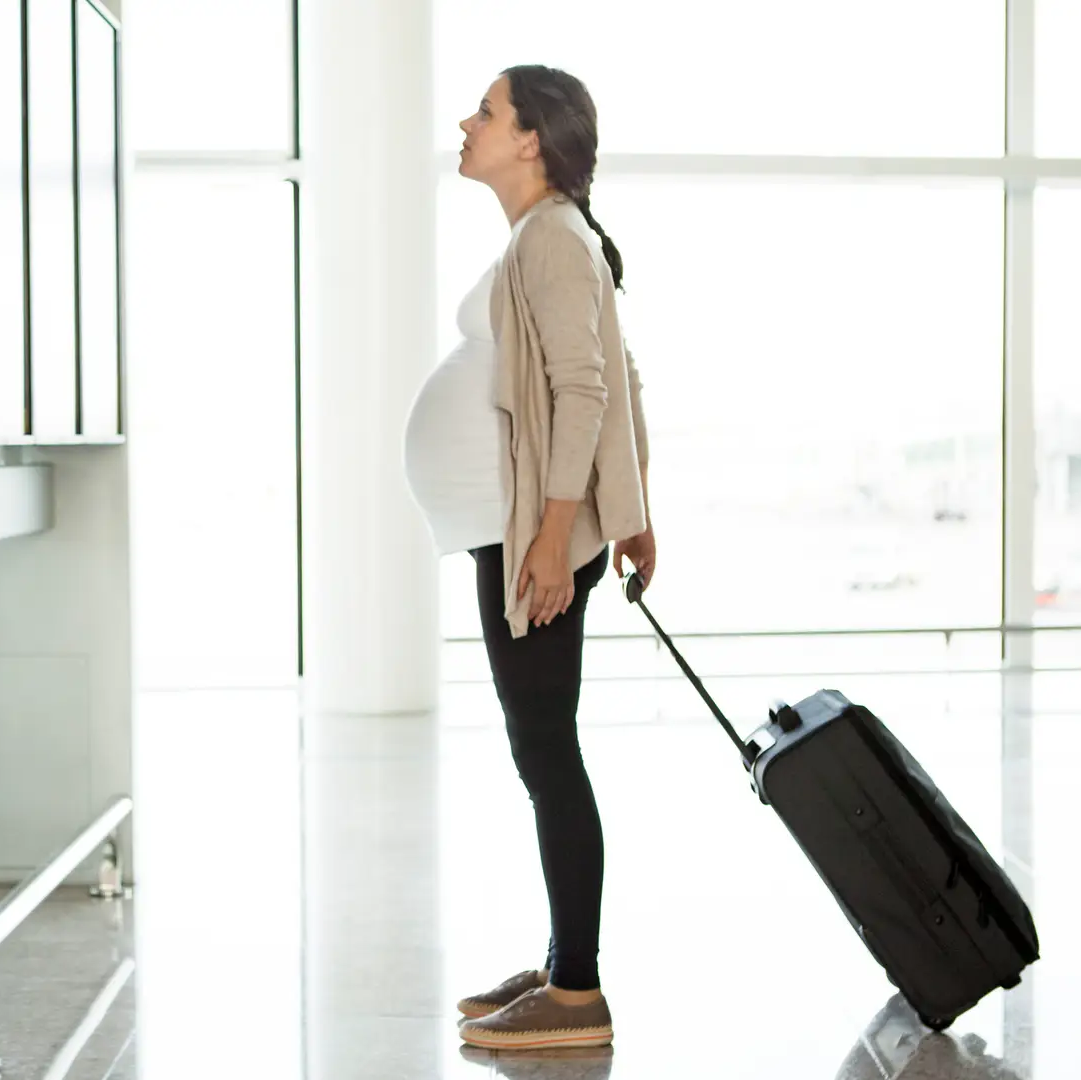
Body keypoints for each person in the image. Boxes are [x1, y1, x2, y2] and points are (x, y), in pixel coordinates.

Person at [401, 64, 656, 1052]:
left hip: (531, 536)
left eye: (487, 111)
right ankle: (561, 963)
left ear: (531, 141)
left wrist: (556, 537)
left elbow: (589, 391)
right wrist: (633, 515)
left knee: (547, 750)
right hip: (519, 528)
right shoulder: (544, 238)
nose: (466, 122)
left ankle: (577, 991)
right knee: (542, 746)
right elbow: (619, 371)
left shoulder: (550, 237)